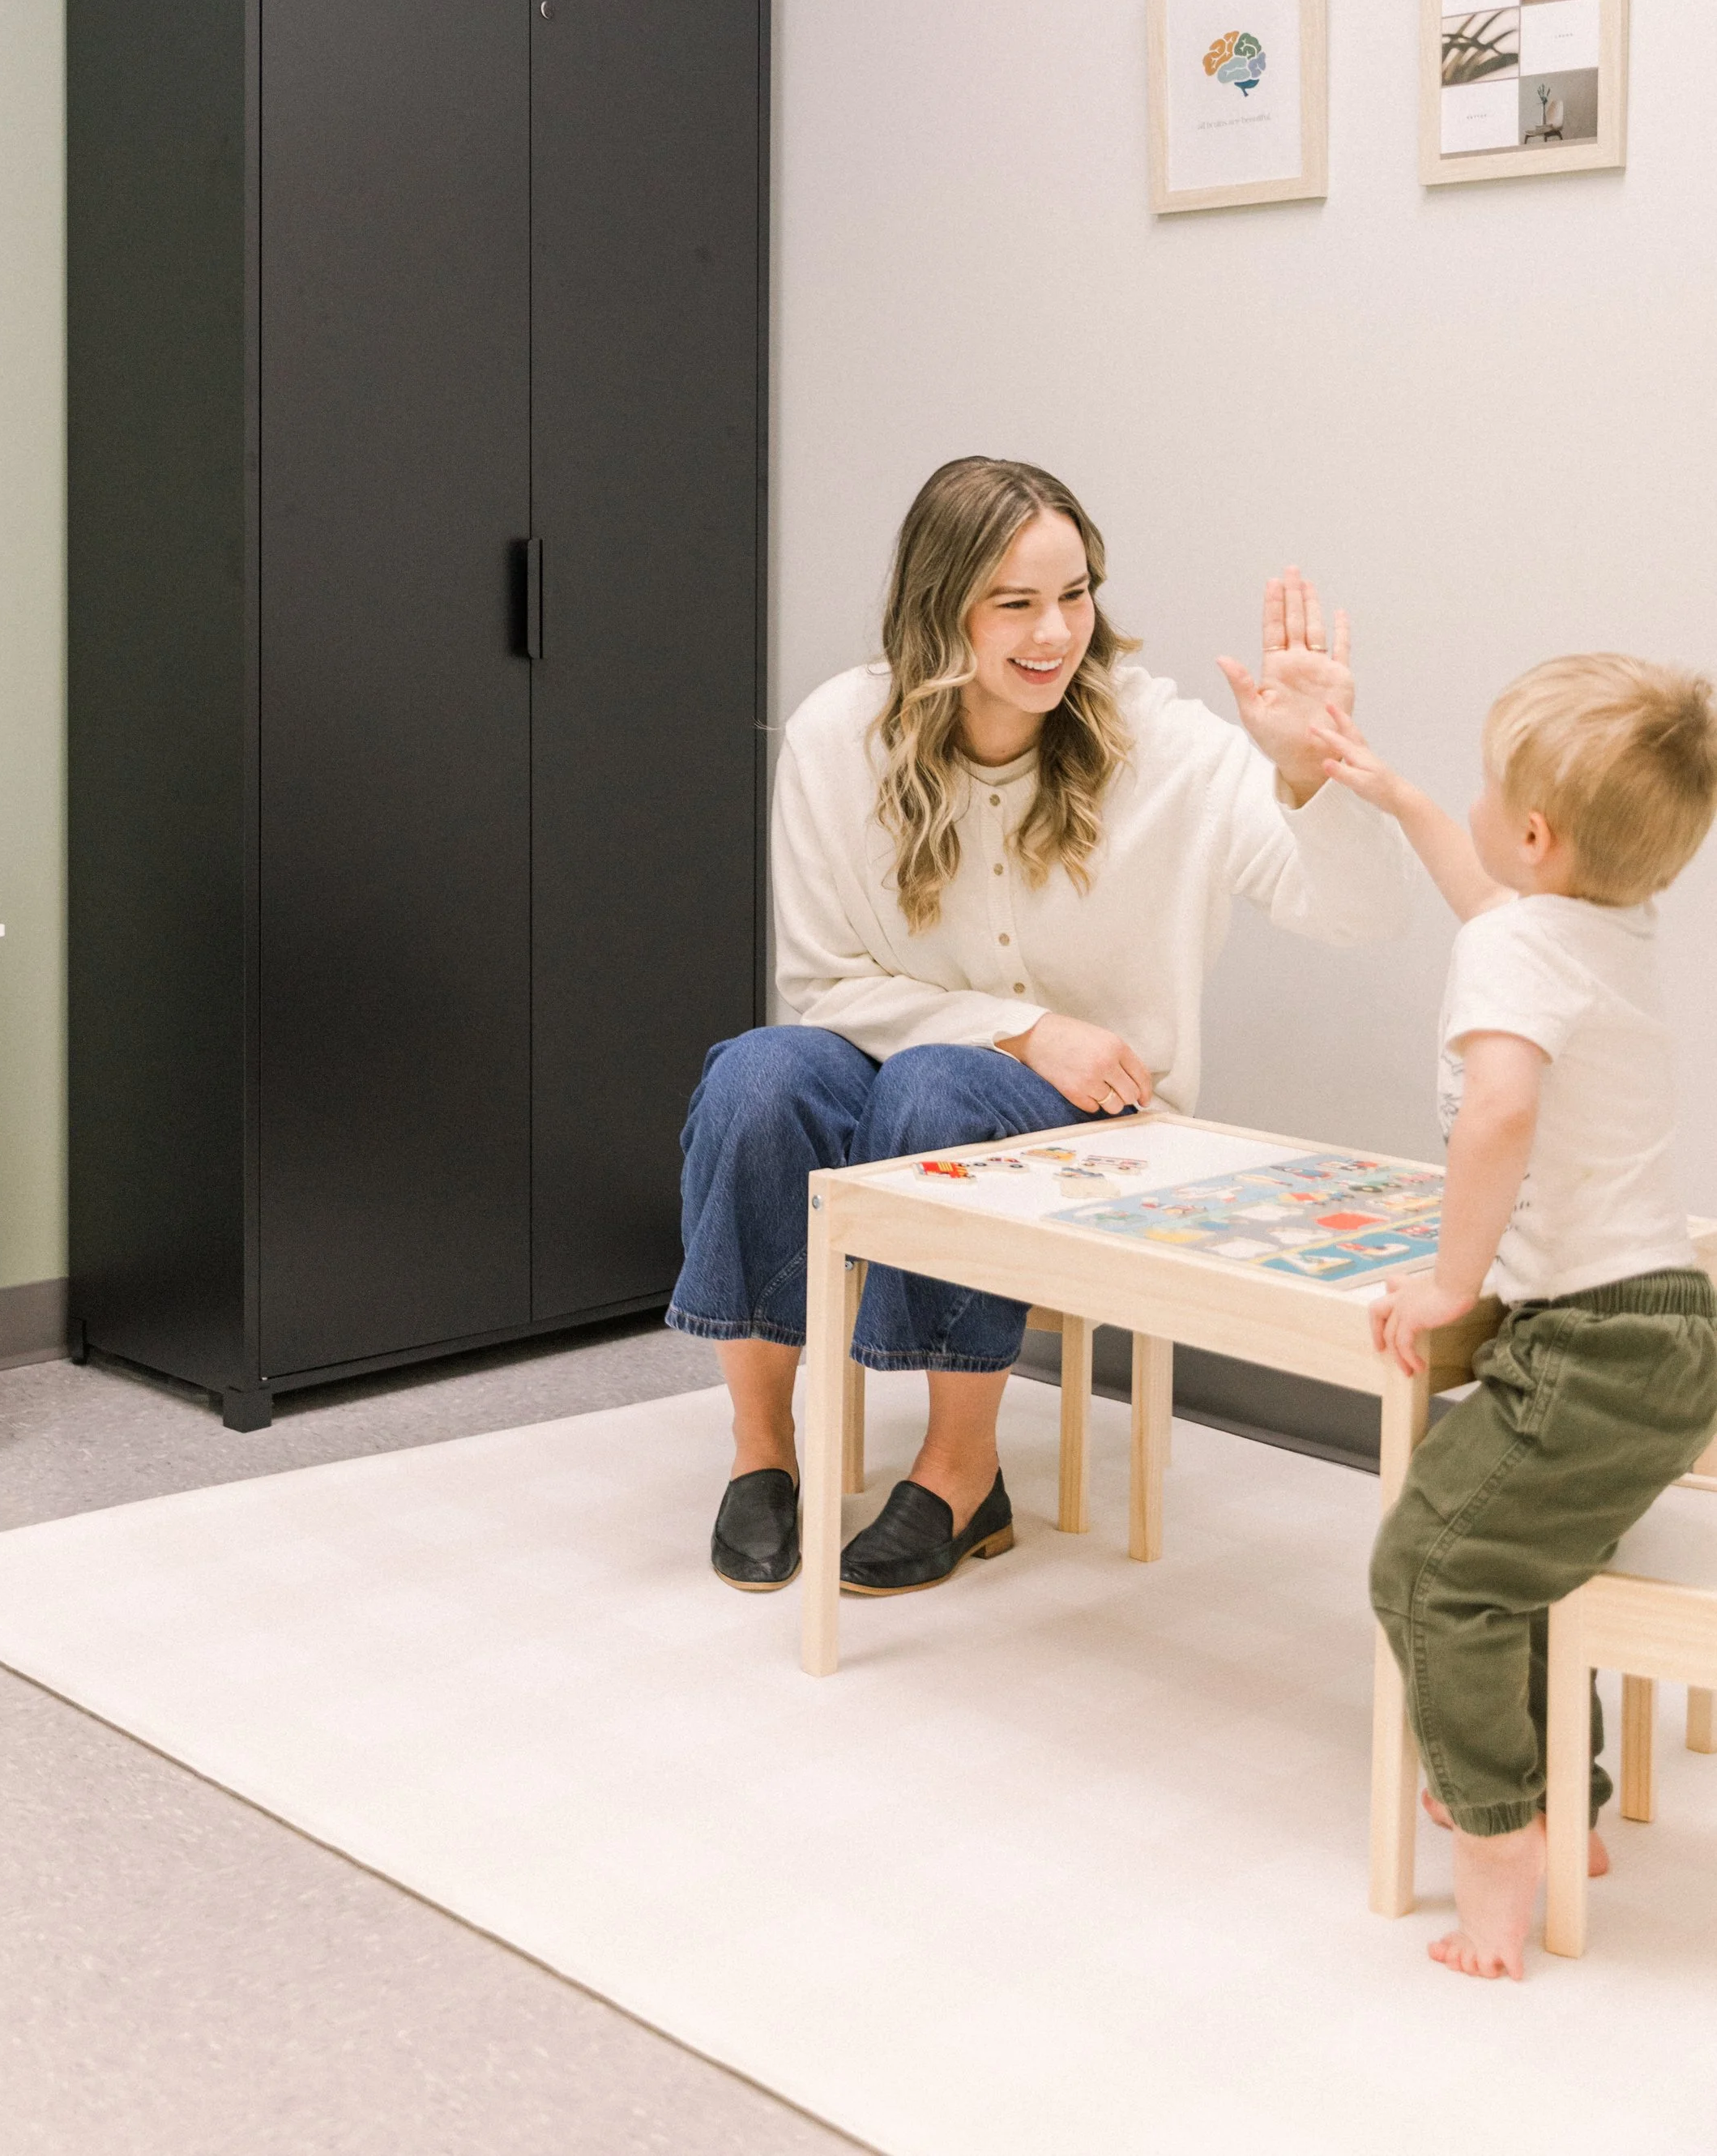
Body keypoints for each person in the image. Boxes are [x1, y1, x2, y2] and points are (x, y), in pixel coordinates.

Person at [668, 453, 1413, 1599]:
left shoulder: (1164, 746)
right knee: (756, 1077)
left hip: (1093, 1113)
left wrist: (1316, 777)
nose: (1054, 631)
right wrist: (1025, 1026)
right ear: (939, 606)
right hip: (895, 1056)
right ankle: (763, 1448)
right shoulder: (838, 735)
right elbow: (821, 980)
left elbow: (1361, 917)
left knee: (937, 1091)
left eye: (1075, 594)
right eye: (1014, 601)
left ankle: (963, 1471)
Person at [1315, 658, 1717, 1981]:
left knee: (1430, 1571)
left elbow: (1497, 1111)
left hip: (1585, 1341)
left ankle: (1497, 1832)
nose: (1475, 808)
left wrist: (1448, 1281)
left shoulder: (1510, 949)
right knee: (1525, 1559)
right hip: (1670, 1331)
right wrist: (1398, 794)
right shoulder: (1609, 922)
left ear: (1538, 833)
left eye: (1491, 789)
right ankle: (1575, 1808)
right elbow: (1485, 887)